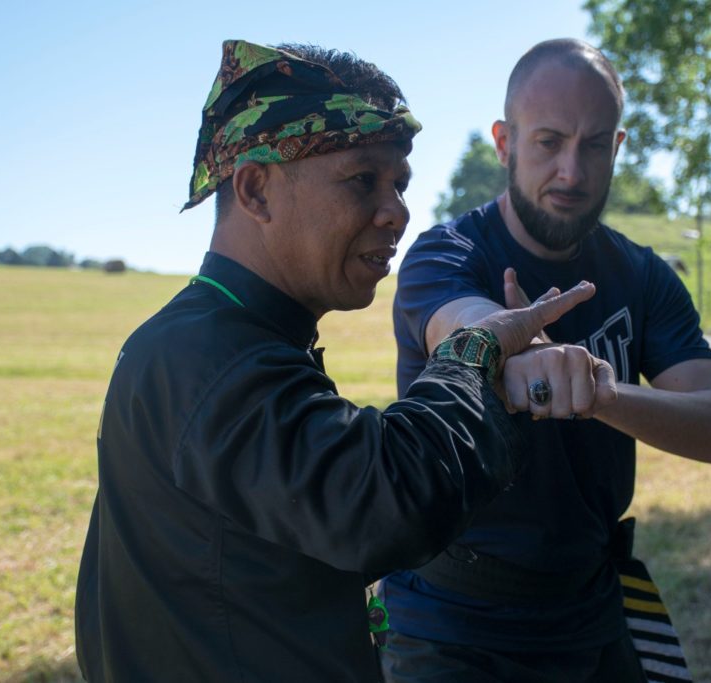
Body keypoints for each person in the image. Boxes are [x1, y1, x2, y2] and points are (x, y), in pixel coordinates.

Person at [73, 40, 610, 683]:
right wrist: (477, 354)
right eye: (363, 180)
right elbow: (385, 501)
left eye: (401, 184)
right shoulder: (206, 357)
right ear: (255, 190)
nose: (399, 213)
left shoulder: (232, 339)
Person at [380, 38, 711, 682]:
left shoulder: (643, 277)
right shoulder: (445, 255)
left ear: (617, 148)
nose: (572, 173)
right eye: (548, 142)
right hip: (450, 622)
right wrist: (505, 343)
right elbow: (459, 324)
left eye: (592, 145)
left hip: (591, 608)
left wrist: (601, 391)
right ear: (504, 142)